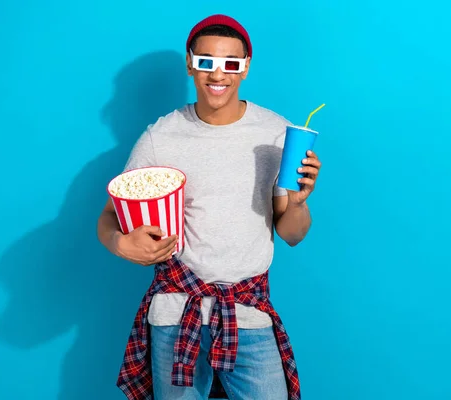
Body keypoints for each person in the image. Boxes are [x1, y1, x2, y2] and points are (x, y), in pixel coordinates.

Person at [97, 14, 322, 400]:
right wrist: (122, 244)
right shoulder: (160, 137)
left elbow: (292, 234)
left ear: (246, 67)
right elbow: (109, 216)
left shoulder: (275, 135)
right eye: (206, 61)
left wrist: (298, 203)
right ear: (190, 63)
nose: (218, 75)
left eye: (231, 63)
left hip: (248, 314)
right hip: (175, 313)